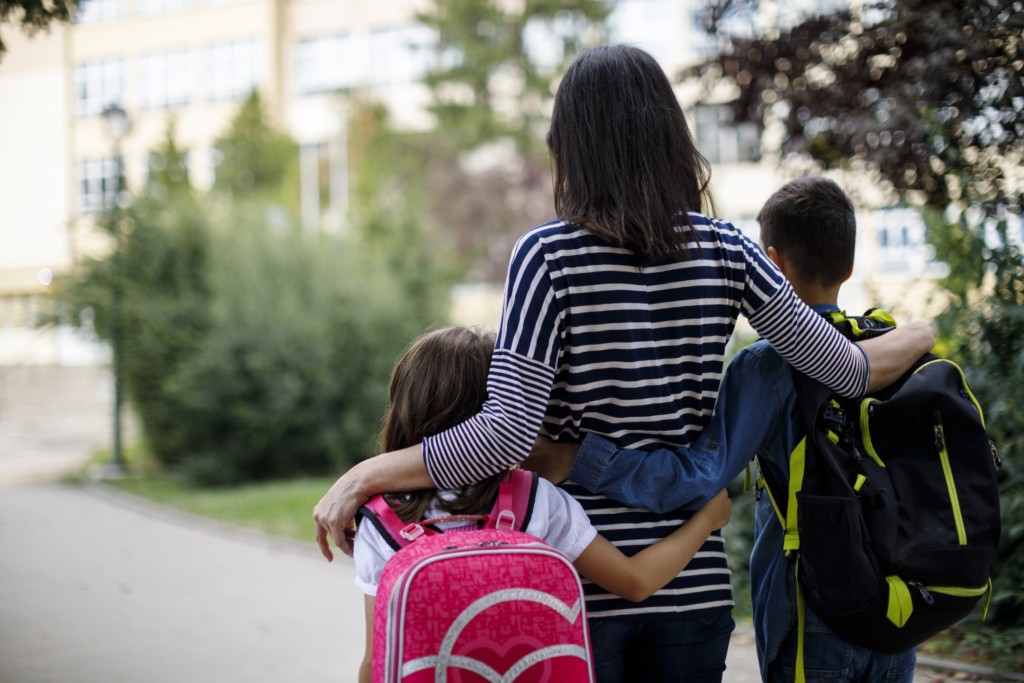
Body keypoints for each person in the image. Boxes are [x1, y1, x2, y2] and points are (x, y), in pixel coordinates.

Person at [315, 46, 934, 683]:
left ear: (573, 147)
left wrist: (366, 474)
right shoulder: (727, 251)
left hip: (580, 580)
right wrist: (921, 332)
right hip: (695, 585)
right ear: (671, 136)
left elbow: (504, 436)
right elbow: (845, 369)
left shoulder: (548, 257)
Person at [529, 176, 920, 683]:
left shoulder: (769, 365)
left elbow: (697, 476)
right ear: (848, 268)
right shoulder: (894, 349)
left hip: (817, 607)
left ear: (771, 264)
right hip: (900, 608)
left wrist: (577, 458)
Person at [355, 327, 733, 683]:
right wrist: (705, 521)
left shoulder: (382, 521)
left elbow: (377, 660)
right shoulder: (533, 499)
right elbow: (634, 583)